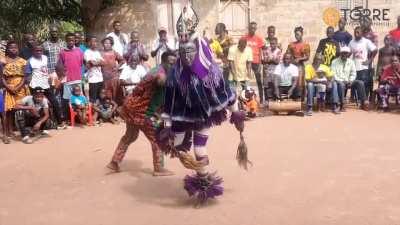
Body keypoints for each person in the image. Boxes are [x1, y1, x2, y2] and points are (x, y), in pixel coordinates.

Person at [159, 10, 245, 203]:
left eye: (190, 52)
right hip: (182, 117)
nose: (187, 56)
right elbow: (169, 101)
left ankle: (204, 183)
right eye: (183, 52)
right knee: (178, 147)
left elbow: (226, 93)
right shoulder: (175, 74)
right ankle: (194, 166)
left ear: (197, 51)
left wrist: (236, 112)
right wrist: (166, 127)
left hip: (202, 116)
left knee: (199, 150)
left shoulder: (210, 74)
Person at [106, 51, 176, 176]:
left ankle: (114, 163)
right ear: (163, 62)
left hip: (132, 107)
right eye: (171, 63)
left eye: (175, 63)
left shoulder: (162, 71)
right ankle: (159, 168)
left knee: (130, 136)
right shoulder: (159, 73)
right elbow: (160, 80)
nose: (173, 66)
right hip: (141, 111)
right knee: (157, 139)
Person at [25, 44, 63, 127]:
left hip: (46, 85)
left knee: (54, 102)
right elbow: (27, 75)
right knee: (36, 106)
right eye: (37, 50)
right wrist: (30, 87)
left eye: (40, 50)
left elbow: (47, 70)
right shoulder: (29, 61)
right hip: (35, 86)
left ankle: (60, 122)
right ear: (33, 51)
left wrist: (50, 80)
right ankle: (36, 124)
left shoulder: (45, 58)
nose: (39, 52)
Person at [1, 41, 29, 144]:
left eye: (15, 48)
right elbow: (2, 77)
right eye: (11, 48)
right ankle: (6, 132)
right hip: (7, 87)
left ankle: (15, 130)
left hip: (20, 87)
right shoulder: (3, 61)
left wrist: (18, 87)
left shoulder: (23, 61)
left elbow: (25, 77)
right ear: (7, 49)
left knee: (18, 109)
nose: (13, 49)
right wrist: (9, 87)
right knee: (7, 110)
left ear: (18, 49)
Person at [42, 26, 67, 129]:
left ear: (58, 32)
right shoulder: (45, 44)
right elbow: (42, 59)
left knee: (63, 96)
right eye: (52, 32)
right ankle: (55, 119)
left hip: (62, 73)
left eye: (56, 32)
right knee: (54, 96)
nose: (54, 33)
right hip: (51, 73)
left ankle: (63, 118)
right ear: (50, 33)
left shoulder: (63, 44)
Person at [331, 46, 368, 111]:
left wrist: (350, 80)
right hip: (339, 81)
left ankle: (363, 103)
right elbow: (333, 74)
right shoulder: (334, 62)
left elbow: (353, 73)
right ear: (340, 53)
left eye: (346, 53)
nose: (345, 54)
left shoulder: (351, 62)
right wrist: (341, 81)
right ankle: (342, 104)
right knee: (341, 85)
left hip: (349, 81)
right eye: (343, 53)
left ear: (348, 54)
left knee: (360, 83)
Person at [57, 33, 85, 118]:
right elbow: (60, 65)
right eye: (69, 40)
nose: (71, 42)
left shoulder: (79, 51)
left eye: (72, 40)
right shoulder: (62, 52)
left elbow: (81, 64)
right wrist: (62, 77)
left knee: (78, 98)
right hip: (67, 80)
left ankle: (78, 117)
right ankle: (68, 117)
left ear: (75, 40)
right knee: (67, 99)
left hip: (77, 79)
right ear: (66, 41)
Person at [349, 26, 377, 100]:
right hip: (354, 67)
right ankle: (354, 98)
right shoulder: (351, 42)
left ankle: (364, 101)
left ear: (361, 33)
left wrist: (370, 60)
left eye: (358, 32)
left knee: (365, 85)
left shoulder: (366, 41)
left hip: (364, 68)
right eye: (355, 32)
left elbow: (375, 50)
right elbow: (348, 54)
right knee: (355, 84)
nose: (356, 34)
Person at [243, 22, 266, 104]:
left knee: (259, 81)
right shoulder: (244, 38)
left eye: (254, 28)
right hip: (247, 62)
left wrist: (260, 63)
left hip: (256, 62)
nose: (252, 29)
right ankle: (245, 99)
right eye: (251, 28)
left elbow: (260, 51)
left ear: (255, 29)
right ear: (248, 28)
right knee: (246, 81)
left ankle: (262, 100)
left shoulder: (258, 39)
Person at [287, 26, 310, 99]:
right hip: (292, 65)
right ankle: (292, 97)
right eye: (296, 34)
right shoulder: (291, 45)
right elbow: (287, 53)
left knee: (300, 82)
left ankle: (300, 99)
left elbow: (307, 57)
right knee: (292, 81)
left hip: (300, 65)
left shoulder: (305, 45)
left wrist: (300, 59)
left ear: (302, 34)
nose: (297, 36)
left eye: (298, 34)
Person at [100, 37, 125, 105]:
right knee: (106, 94)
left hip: (114, 76)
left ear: (111, 44)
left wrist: (117, 67)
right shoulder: (100, 53)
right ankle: (108, 108)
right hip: (104, 77)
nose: (107, 45)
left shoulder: (114, 52)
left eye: (109, 43)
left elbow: (122, 60)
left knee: (115, 93)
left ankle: (116, 108)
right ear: (103, 44)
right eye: (105, 43)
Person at [84, 35, 104, 103]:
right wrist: (98, 62)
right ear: (89, 43)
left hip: (100, 78)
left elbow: (104, 63)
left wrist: (96, 63)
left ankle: (100, 112)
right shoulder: (87, 52)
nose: (95, 43)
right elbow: (91, 63)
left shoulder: (97, 52)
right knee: (93, 99)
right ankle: (93, 113)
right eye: (93, 41)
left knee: (100, 97)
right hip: (92, 79)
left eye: (96, 41)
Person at [261, 37, 282, 102]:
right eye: (271, 44)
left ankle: (276, 99)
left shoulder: (278, 51)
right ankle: (268, 101)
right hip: (268, 71)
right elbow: (264, 61)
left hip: (276, 71)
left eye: (274, 44)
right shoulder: (267, 50)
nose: (272, 45)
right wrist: (272, 60)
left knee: (275, 85)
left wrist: (270, 60)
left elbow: (277, 62)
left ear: (276, 44)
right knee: (268, 86)